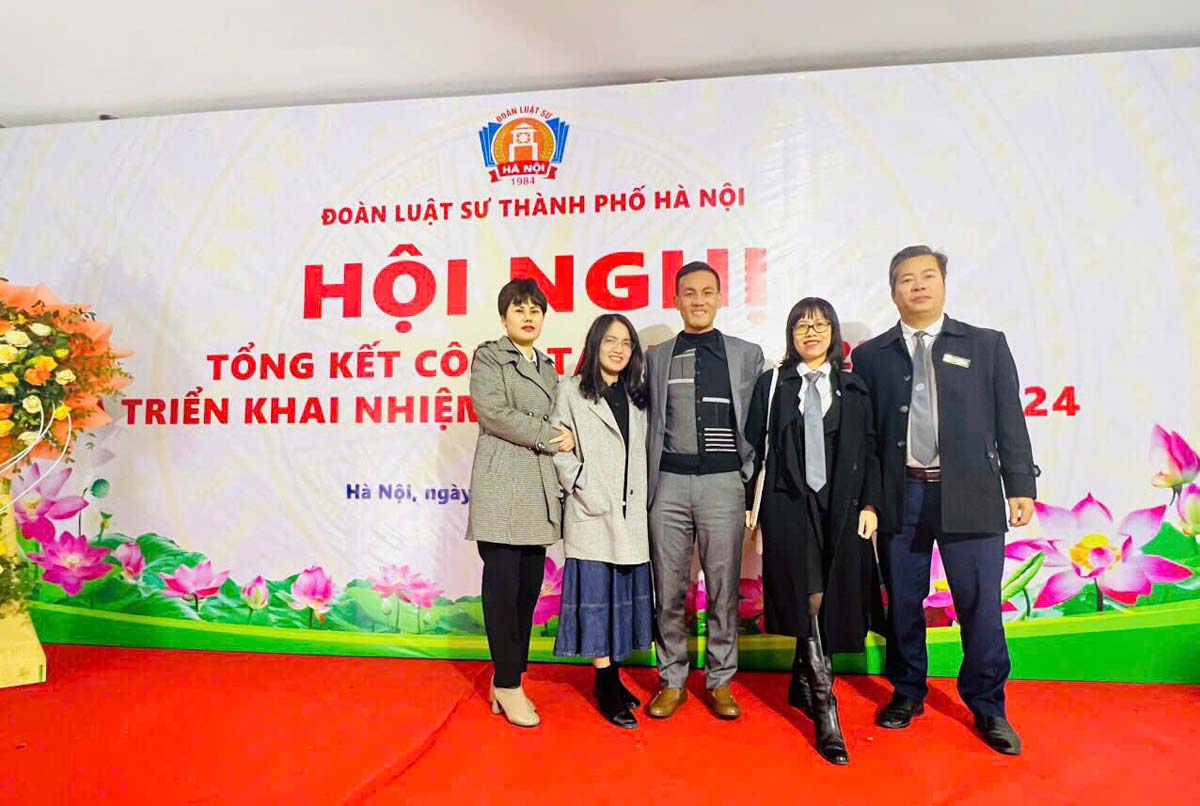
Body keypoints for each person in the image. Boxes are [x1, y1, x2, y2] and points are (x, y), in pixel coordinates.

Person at [852, 245, 1037, 755]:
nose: (918, 286)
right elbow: (867, 439)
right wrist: (870, 500)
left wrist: (1020, 484)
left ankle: (989, 705)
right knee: (903, 602)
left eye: (927, 276)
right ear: (893, 291)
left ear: (943, 284)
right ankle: (907, 691)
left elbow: (1009, 417)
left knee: (979, 605)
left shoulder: (986, 345)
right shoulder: (870, 356)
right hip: (902, 495)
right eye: (906, 279)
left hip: (972, 492)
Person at [743, 297, 881, 765]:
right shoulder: (773, 384)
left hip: (840, 506)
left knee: (835, 594)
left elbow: (871, 449)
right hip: (788, 504)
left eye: (820, 325)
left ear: (834, 333)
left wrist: (871, 503)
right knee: (810, 595)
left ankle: (802, 679)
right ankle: (826, 707)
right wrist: (748, 503)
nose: (811, 333)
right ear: (791, 334)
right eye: (802, 326)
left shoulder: (854, 387)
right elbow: (752, 447)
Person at [645, 261, 765, 720]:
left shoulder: (746, 355)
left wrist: (747, 481)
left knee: (723, 589)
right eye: (689, 293)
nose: (698, 300)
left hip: (724, 485)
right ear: (676, 300)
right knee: (668, 587)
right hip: (668, 485)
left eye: (707, 292)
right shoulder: (656, 357)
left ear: (719, 298)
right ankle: (672, 679)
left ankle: (720, 681)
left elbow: (760, 421)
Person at [466, 278, 574, 728]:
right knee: (503, 589)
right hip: (502, 485)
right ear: (503, 317)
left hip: (539, 487)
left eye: (536, 310)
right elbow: (494, 413)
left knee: (529, 589)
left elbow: (564, 417)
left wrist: (569, 436)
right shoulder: (490, 357)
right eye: (519, 309)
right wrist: (551, 436)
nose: (528, 317)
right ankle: (510, 685)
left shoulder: (549, 367)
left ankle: (508, 677)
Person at [551, 314, 654, 729]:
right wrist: (582, 484)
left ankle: (611, 677)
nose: (618, 349)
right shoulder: (571, 391)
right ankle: (606, 683)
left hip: (631, 515)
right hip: (591, 512)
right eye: (610, 340)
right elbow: (558, 447)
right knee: (596, 600)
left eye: (626, 343)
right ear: (594, 344)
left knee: (620, 600)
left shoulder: (638, 397)